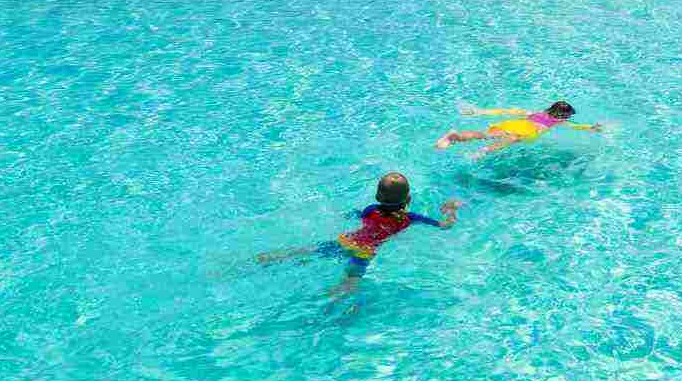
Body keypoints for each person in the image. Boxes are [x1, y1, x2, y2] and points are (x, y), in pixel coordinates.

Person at [257, 172, 461, 299]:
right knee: (351, 279)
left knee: (310, 250)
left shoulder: (370, 209)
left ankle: (273, 257)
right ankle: (332, 298)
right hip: (364, 251)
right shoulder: (409, 218)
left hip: (347, 239)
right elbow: (445, 226)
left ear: (377, 196)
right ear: (408, 198)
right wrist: (450, 209)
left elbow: (357, 216)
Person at [435, 100, 601, 156]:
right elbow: (575, 126)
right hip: (523, 131)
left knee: (482, 134)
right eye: (567, 116)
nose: (567, 118)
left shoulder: (534, 113)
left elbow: (508, 111)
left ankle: (452, 137)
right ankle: (481, 152)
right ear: (560, 115)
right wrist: (590, 128)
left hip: (513, 125)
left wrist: (480, 111)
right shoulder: (556, 121)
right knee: (511, 139)